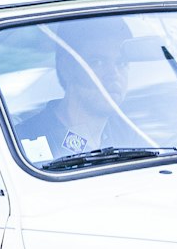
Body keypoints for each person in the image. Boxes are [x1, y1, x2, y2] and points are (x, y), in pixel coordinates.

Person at [19, 16, 138, 161]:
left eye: (122, 63)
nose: (114, 74)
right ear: (67, 68)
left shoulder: (128, 133)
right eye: (98, 62)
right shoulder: (24, 140)